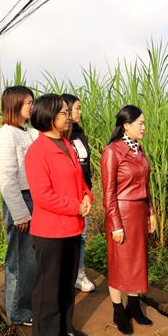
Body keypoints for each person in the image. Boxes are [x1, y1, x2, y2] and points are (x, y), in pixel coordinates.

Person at [25, 94, 93, 336]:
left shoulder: (66, 143)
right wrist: (75, 206)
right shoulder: (38, 151)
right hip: (50, 230)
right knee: (48, 287)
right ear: (49, 117)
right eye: (64, 113)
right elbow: (42, 195)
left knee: (66, 282)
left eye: (67, 112)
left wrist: (87, 196)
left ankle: (64, 327)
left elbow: (80, 179)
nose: (68, 117)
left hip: (73, 227)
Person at [101, 105, 156, 335]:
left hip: (139, 212)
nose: (144, 127)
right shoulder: (113, 151)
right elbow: (108, 192)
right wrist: (115, 224)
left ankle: (133, 305)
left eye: (144, 123)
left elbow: (146, 184)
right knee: (119, 263)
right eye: (140, 123)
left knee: (137, 261)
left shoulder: (139, 150)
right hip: (121, 213)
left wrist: (151, 212)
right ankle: (117, 310)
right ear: (126, 125)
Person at [0, 85, 38, 326]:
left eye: (32, 102)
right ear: (14, 105)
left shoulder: (27, 132)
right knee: (21, 259)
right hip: (20, 200)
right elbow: (6, 180)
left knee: (31, 257)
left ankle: (28, 304)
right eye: (27, 102)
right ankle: (18, 311)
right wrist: (20, 214)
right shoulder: (6, 136)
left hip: (33, 198)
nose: (31, 106)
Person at [61, 93, 95, 292]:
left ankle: (79, 273)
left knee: (82, 236)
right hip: (67, 195)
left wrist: (87, 192)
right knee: (66, 238)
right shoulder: (60, 137)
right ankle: (65, 274)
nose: (79, 112)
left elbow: (86, 166)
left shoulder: (80, 134)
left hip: (83, 193)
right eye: (77, 108)